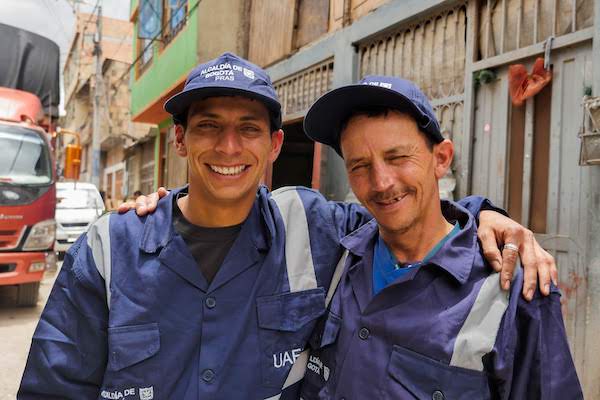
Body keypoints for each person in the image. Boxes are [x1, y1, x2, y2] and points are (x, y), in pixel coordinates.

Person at [19, 53, 554, 400]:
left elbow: (411, 212)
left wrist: (490, 215)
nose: (229, 148)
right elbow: (53, 386)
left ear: (274, 145)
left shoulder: (313, 227)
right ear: (179, 140)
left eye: (249, 129)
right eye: (209, 127)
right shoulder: (110, 248)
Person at [298, 76, 582, 399]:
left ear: (441, 159)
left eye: (397, 158)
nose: (380, 182)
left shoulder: (515, 289)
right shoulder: (340, 254)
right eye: (360, 166)